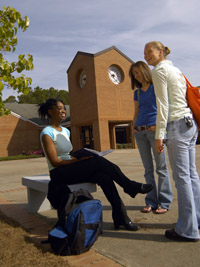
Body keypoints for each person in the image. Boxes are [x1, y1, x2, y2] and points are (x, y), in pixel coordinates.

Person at [38, 98, 153, 231]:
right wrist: (80, 160)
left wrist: (79, 156)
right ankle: (129, 185)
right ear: (50, 111)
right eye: (59, 108)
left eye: (64, 108)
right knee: (97, 161)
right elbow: (55, 162)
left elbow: (67, 154)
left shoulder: (65, 131)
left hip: (70, 169)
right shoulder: (47, 133)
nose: (63, 111)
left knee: (104, 176)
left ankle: (121, 218)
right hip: (59, 173)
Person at [144, 41, 200, 242]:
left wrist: (160, 135)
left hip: (176, 125)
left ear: (160, 52)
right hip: (190, 125)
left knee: (183, 178)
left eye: (149, 51)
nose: (146, 56)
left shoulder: (159, 72)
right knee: (191, 175)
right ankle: (196, 220)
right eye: (144, 53)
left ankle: (187, 229)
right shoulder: (176, 70)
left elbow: (163, 106)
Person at [130, 61, 173, 214]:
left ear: (144, 70)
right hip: (140, 133)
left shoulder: (157, 86)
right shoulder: (138, 92)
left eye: (137, 72)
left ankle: (165, 202)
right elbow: (136, 112)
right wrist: (133, 127)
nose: (136, 76)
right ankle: (151, 201)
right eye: (134, 74)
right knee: (148, 169)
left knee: (161, 168)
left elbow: (165, 108)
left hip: (155, 132)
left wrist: (160, 128)